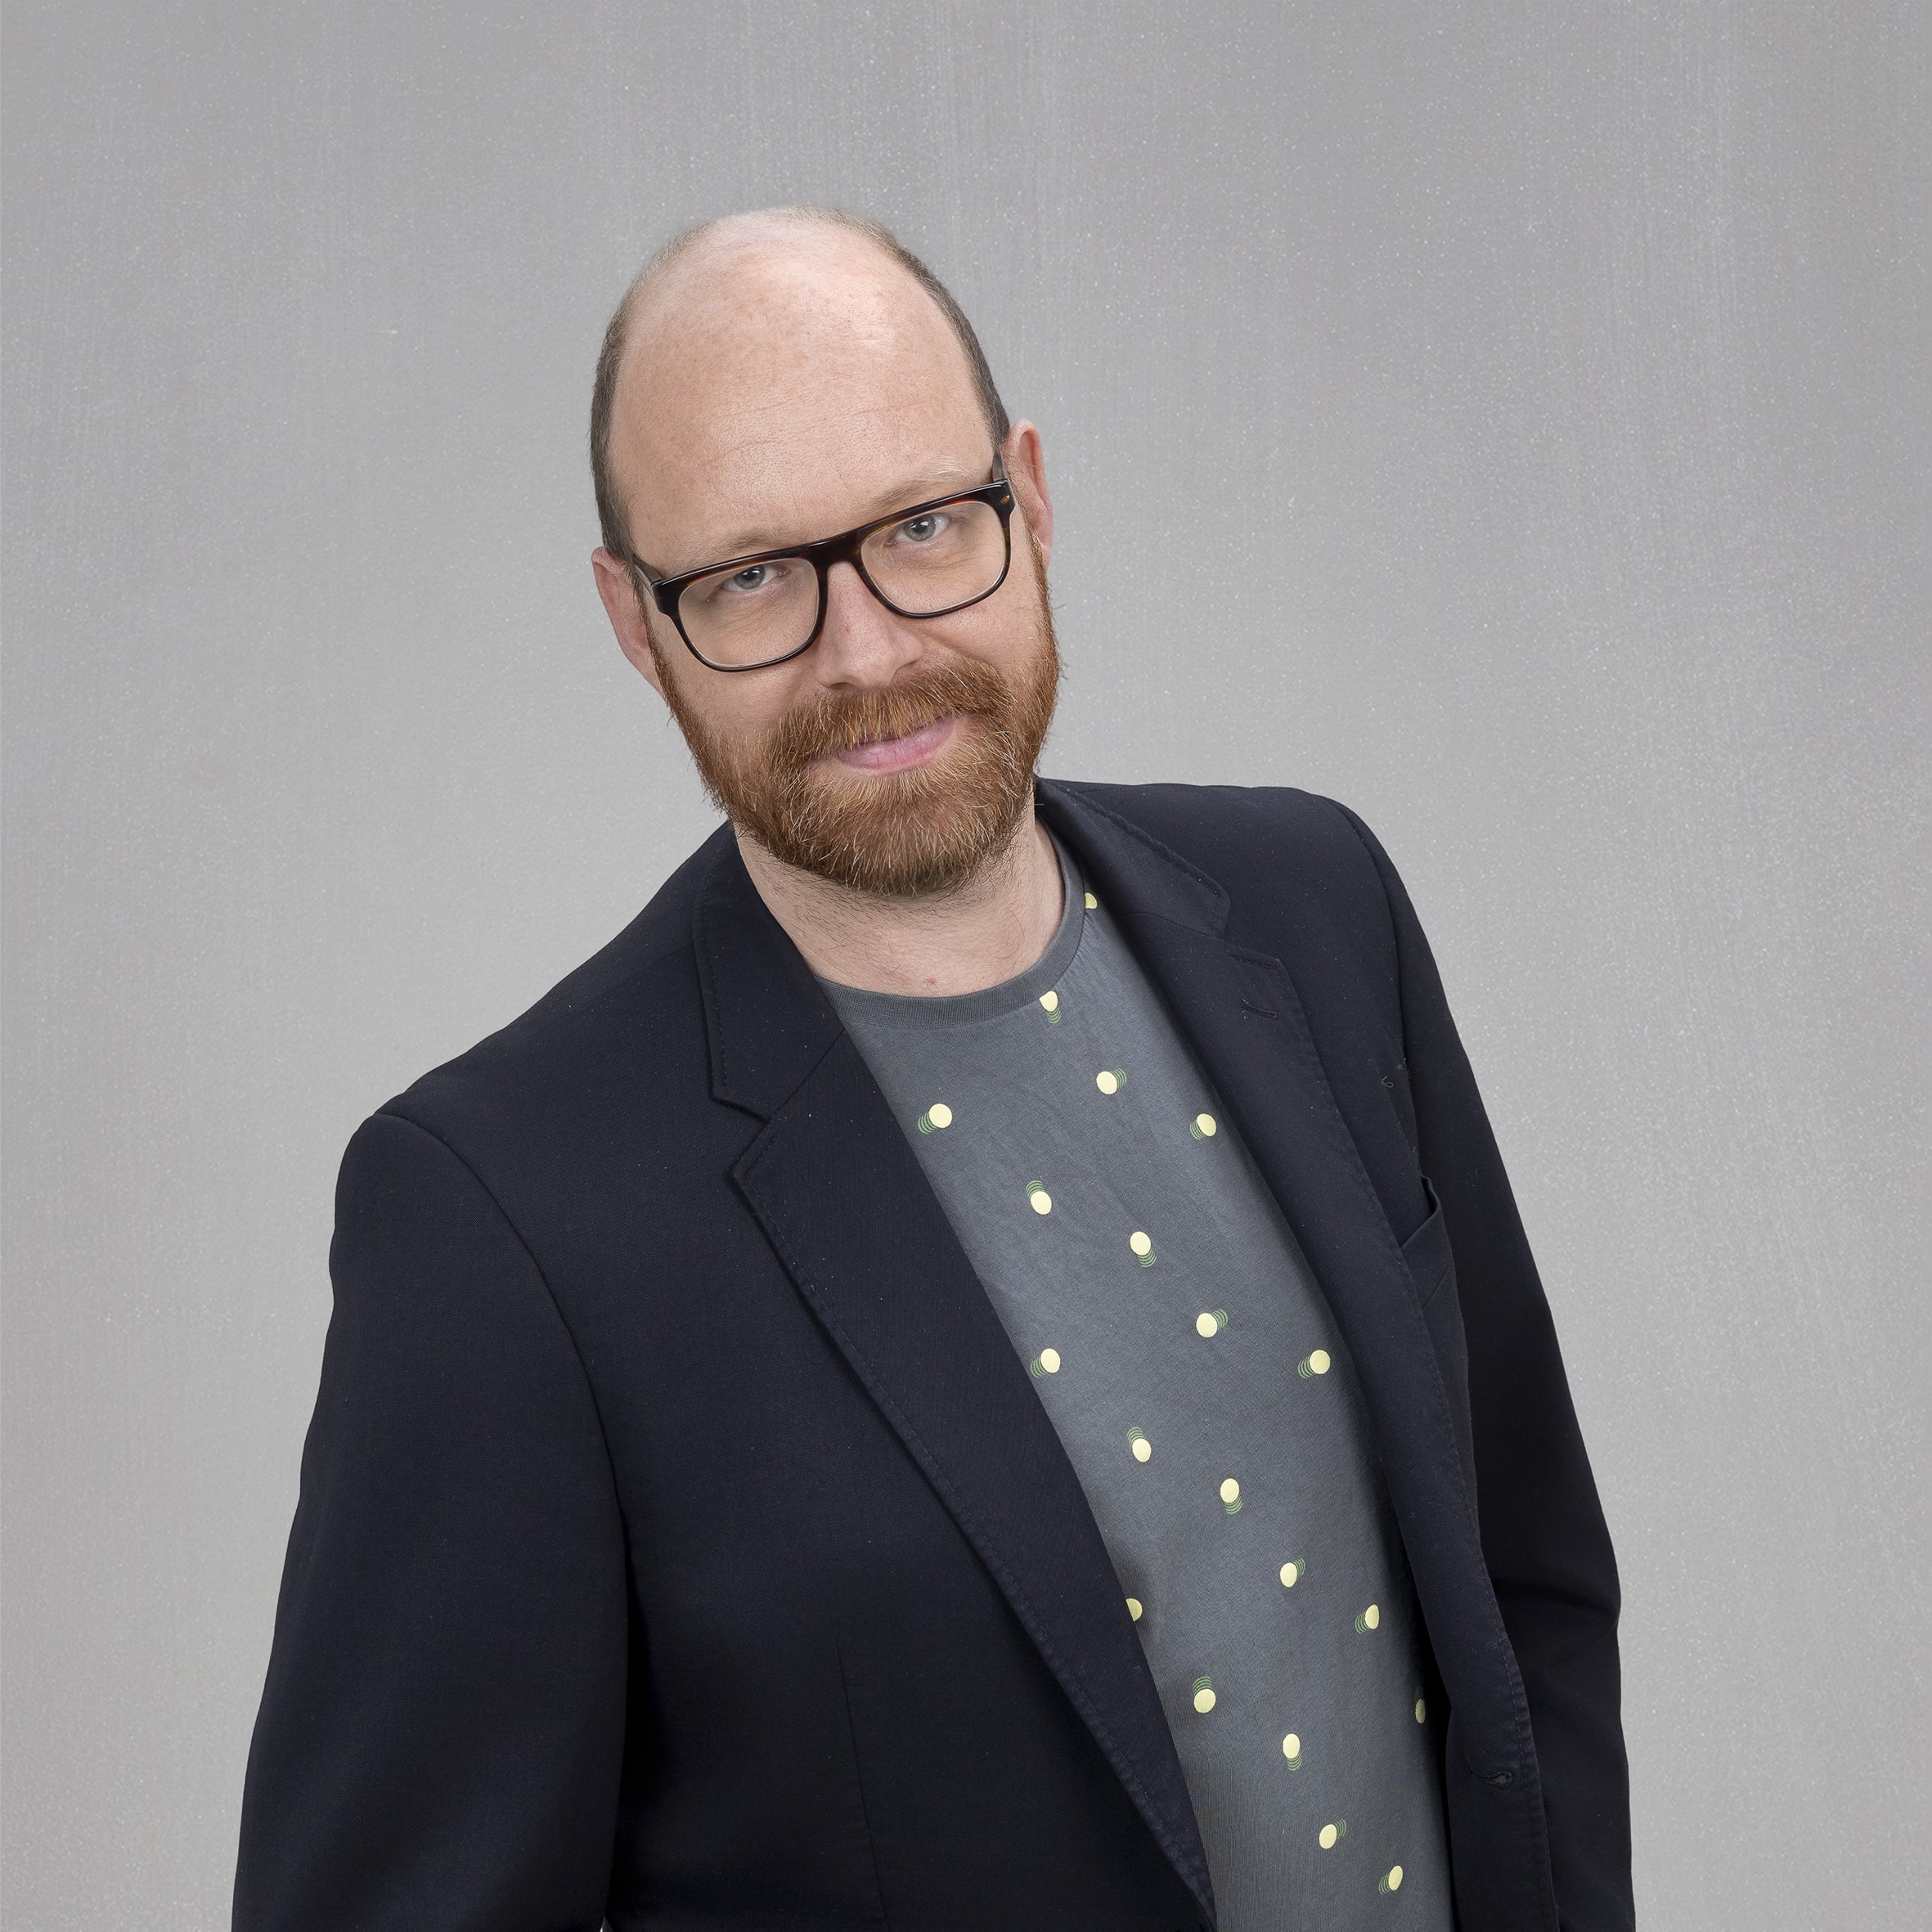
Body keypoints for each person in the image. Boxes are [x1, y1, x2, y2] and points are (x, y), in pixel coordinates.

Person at [234, 207, 1632, 1932]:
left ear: (1026, 499)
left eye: (920, 525)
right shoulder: (498, 1215)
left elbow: (1524, 1588)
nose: (869, 650)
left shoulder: (1316, 907)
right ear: (633, 620)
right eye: (751, 574)